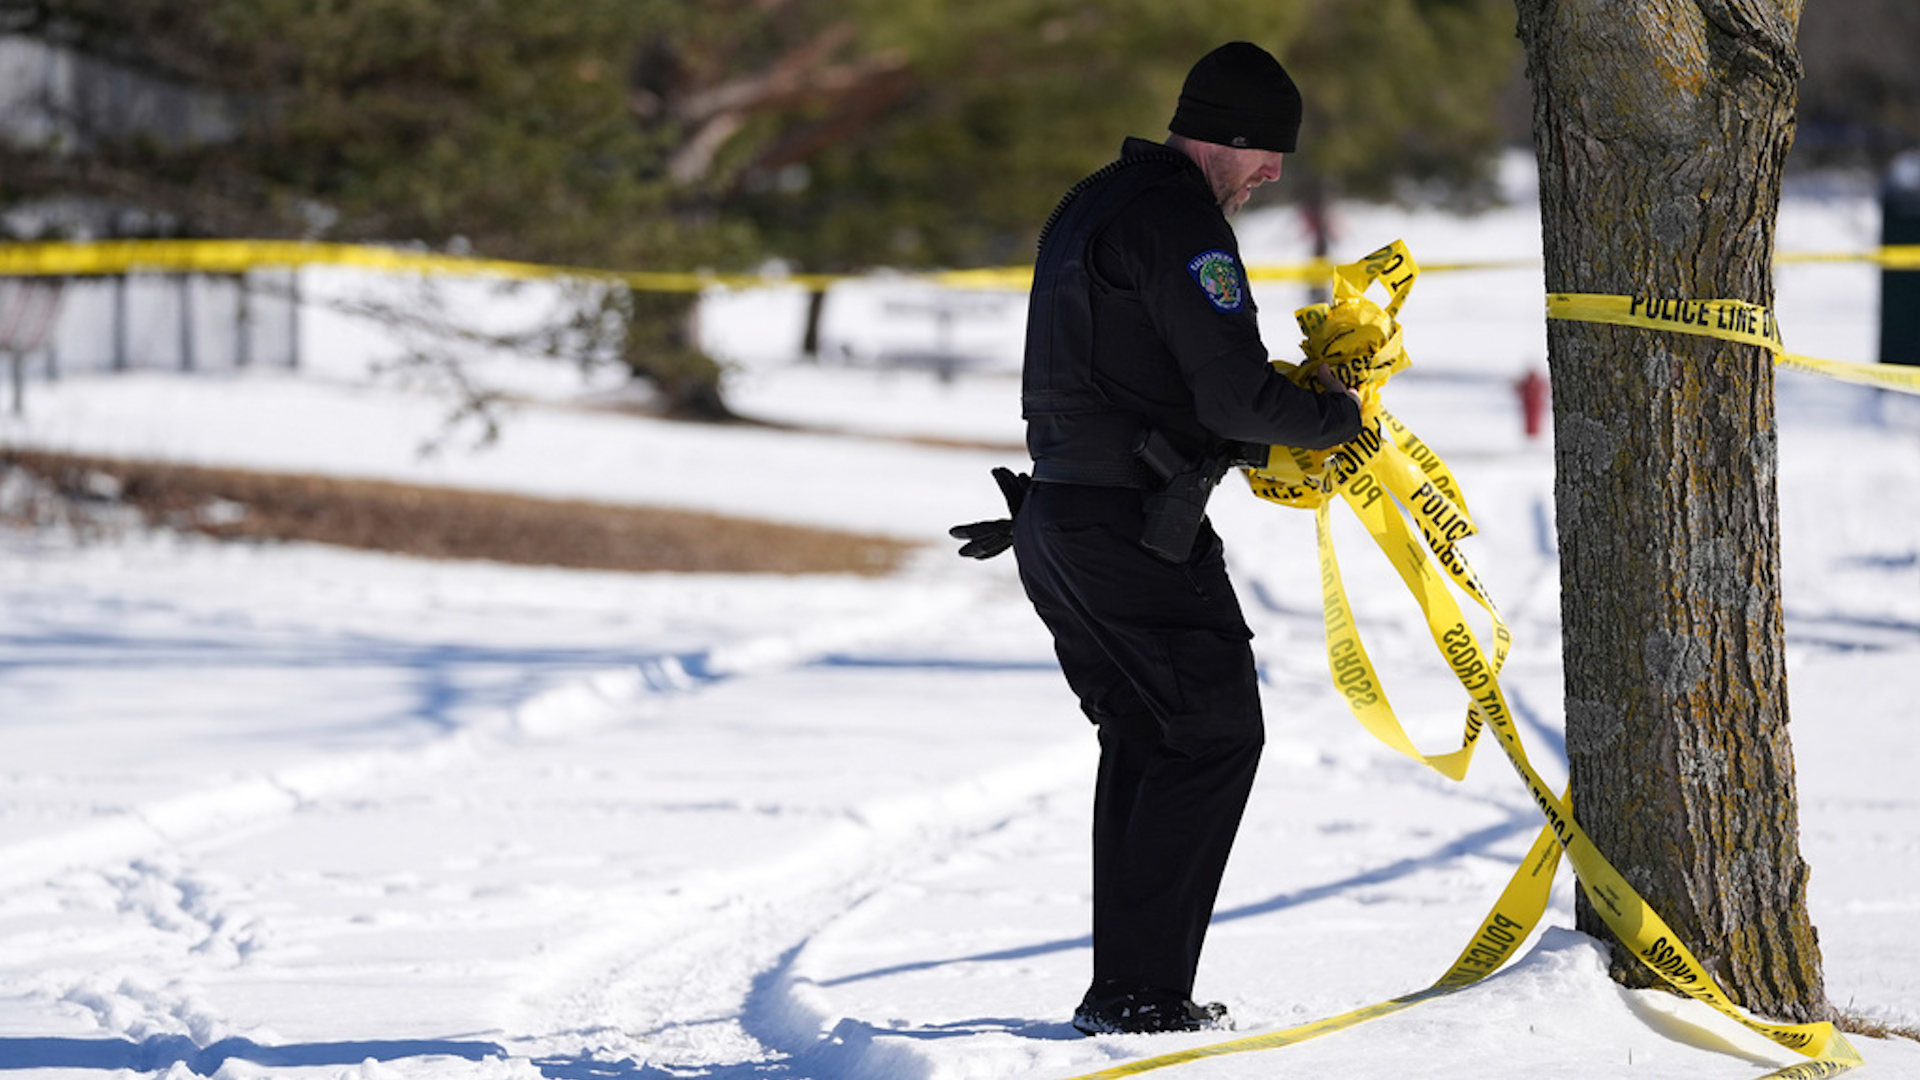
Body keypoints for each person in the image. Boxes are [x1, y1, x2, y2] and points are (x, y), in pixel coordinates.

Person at [951, 41, 1364, 1036]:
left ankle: (1133, 992)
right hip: (1130, 528)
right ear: (1226, 138)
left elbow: (1124, 374)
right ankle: (1139, 995)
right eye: (1268, 154)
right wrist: (1339, 417)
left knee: (1150, 739)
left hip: (1062, 518)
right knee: (1213, 736)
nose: (1273, 174)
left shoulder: (1098, 199)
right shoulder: (1181, 221)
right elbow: (1230, 390)